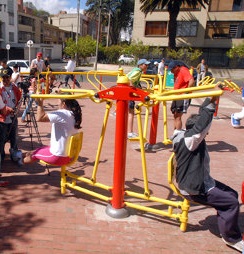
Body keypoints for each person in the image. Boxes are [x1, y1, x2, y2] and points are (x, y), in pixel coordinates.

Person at [171, 90, 244, 253]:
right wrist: (211, 105)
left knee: (232, 194)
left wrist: (212, 98)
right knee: (231, 203)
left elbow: (200, 118)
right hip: (194, 188)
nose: (207, 134)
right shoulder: (191, 141)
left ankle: (225, 219)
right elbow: (202, 124)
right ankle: (231, 238)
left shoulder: (181, 135)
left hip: (197, 180)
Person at [23, 95, 82, 165]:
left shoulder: (62, 113)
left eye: (58, 101)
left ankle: (19, 163)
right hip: (68, 156)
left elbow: (40, 118)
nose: (57, 103)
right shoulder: (74, 114)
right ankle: (20, 156)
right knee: (36, 151)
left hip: (57, 157)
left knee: (33, 156)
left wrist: (40, 103)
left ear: (63, 104)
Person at [0, 68, 22, 169]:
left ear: (10, 77)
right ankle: (2, 156)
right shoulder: (0, 88)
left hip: (13, 117)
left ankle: (14, 154)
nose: (5, 80)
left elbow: (19, 98)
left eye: (7, 77)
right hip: (2, 118)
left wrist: (17, 109)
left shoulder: (14, 87)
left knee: (14, 137)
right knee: (2, 138)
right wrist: (6, 110)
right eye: (3, 78)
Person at [126, 58, 150, 138]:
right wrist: (134, 89)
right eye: (145, 65)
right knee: (131, 112)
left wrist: (139, 87)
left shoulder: (136, 70)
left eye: (147, 65)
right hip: (129, 93)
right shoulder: (138, 71)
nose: (147, 66)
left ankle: (129, 131)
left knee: (129, 112)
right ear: (140, 65)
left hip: (127, 92)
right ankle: (129, 132)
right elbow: (130, 79)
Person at [168, 60, 195, 130]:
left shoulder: (183, 70)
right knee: (175, 115)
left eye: (171, 70)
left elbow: (191, 80)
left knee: (178, 116)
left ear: (176, 67)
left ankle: (177, 134)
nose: (171, 72)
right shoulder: (176, 73)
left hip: (182, 96)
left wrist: (186, 92)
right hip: (177, 95)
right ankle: (175, 133)